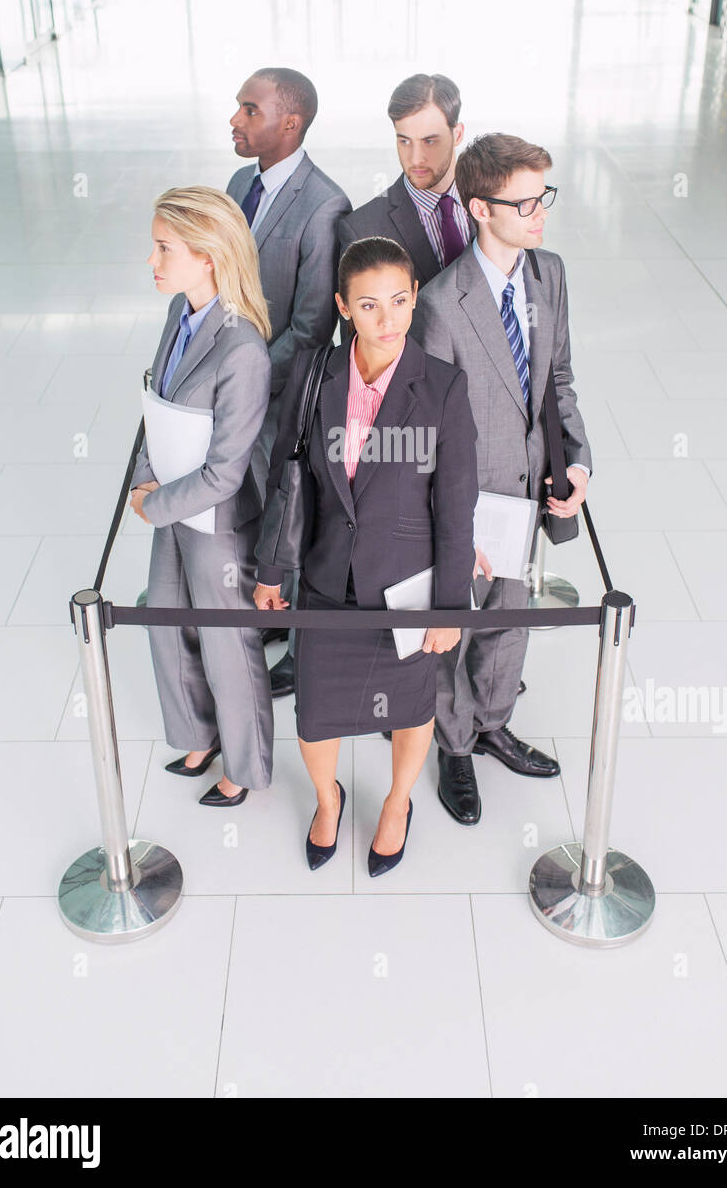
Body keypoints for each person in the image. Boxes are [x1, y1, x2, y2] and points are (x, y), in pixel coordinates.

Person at [253, 238, 479, 876]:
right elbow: (285, 476)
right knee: (316, 714)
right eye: (370, 305)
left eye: (401, 301)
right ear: (343, 307)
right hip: (326, 578)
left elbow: (455, 508)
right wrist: (272, 572)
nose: (389, 318)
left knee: (410, 708)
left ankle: (398, 803)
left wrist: (449, 609)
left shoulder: (442, 387)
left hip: (405, 588)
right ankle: (328, 799)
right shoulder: (314, 372)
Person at [410, 134, 592, 826]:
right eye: (526, 202)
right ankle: (454, 745)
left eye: (544, 196)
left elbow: (559, 381)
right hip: (471, 501)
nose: (541, 212)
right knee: (455, 627)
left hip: (529, 488)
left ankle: (492, 722)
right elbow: (429, 433)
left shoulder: (550, 275)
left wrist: (576, 463)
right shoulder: (442, 303)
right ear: (481, 209)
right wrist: (449, 529)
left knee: (511, 616)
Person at [130, 186, 275, 807]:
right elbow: (156, 403)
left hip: (213, 520)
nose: (152, 260)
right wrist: (144, 479)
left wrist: (151, 505)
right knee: (165, 620)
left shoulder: (243, 350)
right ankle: (196, 732)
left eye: (164, 248)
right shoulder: (177, 316)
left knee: (226, 645)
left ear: (208, 255)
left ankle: (245, 766)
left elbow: (226, 474)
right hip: (169, 501)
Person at [226, 66, 351, 698]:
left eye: (250, 110)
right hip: (238, 381)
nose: (235, 120)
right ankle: (268, 612)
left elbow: (310, 327)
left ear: (290, 122)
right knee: (250, 499)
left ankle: (305, 648)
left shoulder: (325, 203)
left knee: (292, 512)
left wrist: (244, 378)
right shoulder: (238, 184)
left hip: (281, 389)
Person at [338, 73, 474, 289]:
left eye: (429, 141)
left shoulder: (498, 201)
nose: (415, 158)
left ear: (457, 135)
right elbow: (357, 323)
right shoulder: (361, 229)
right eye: (404, 141)